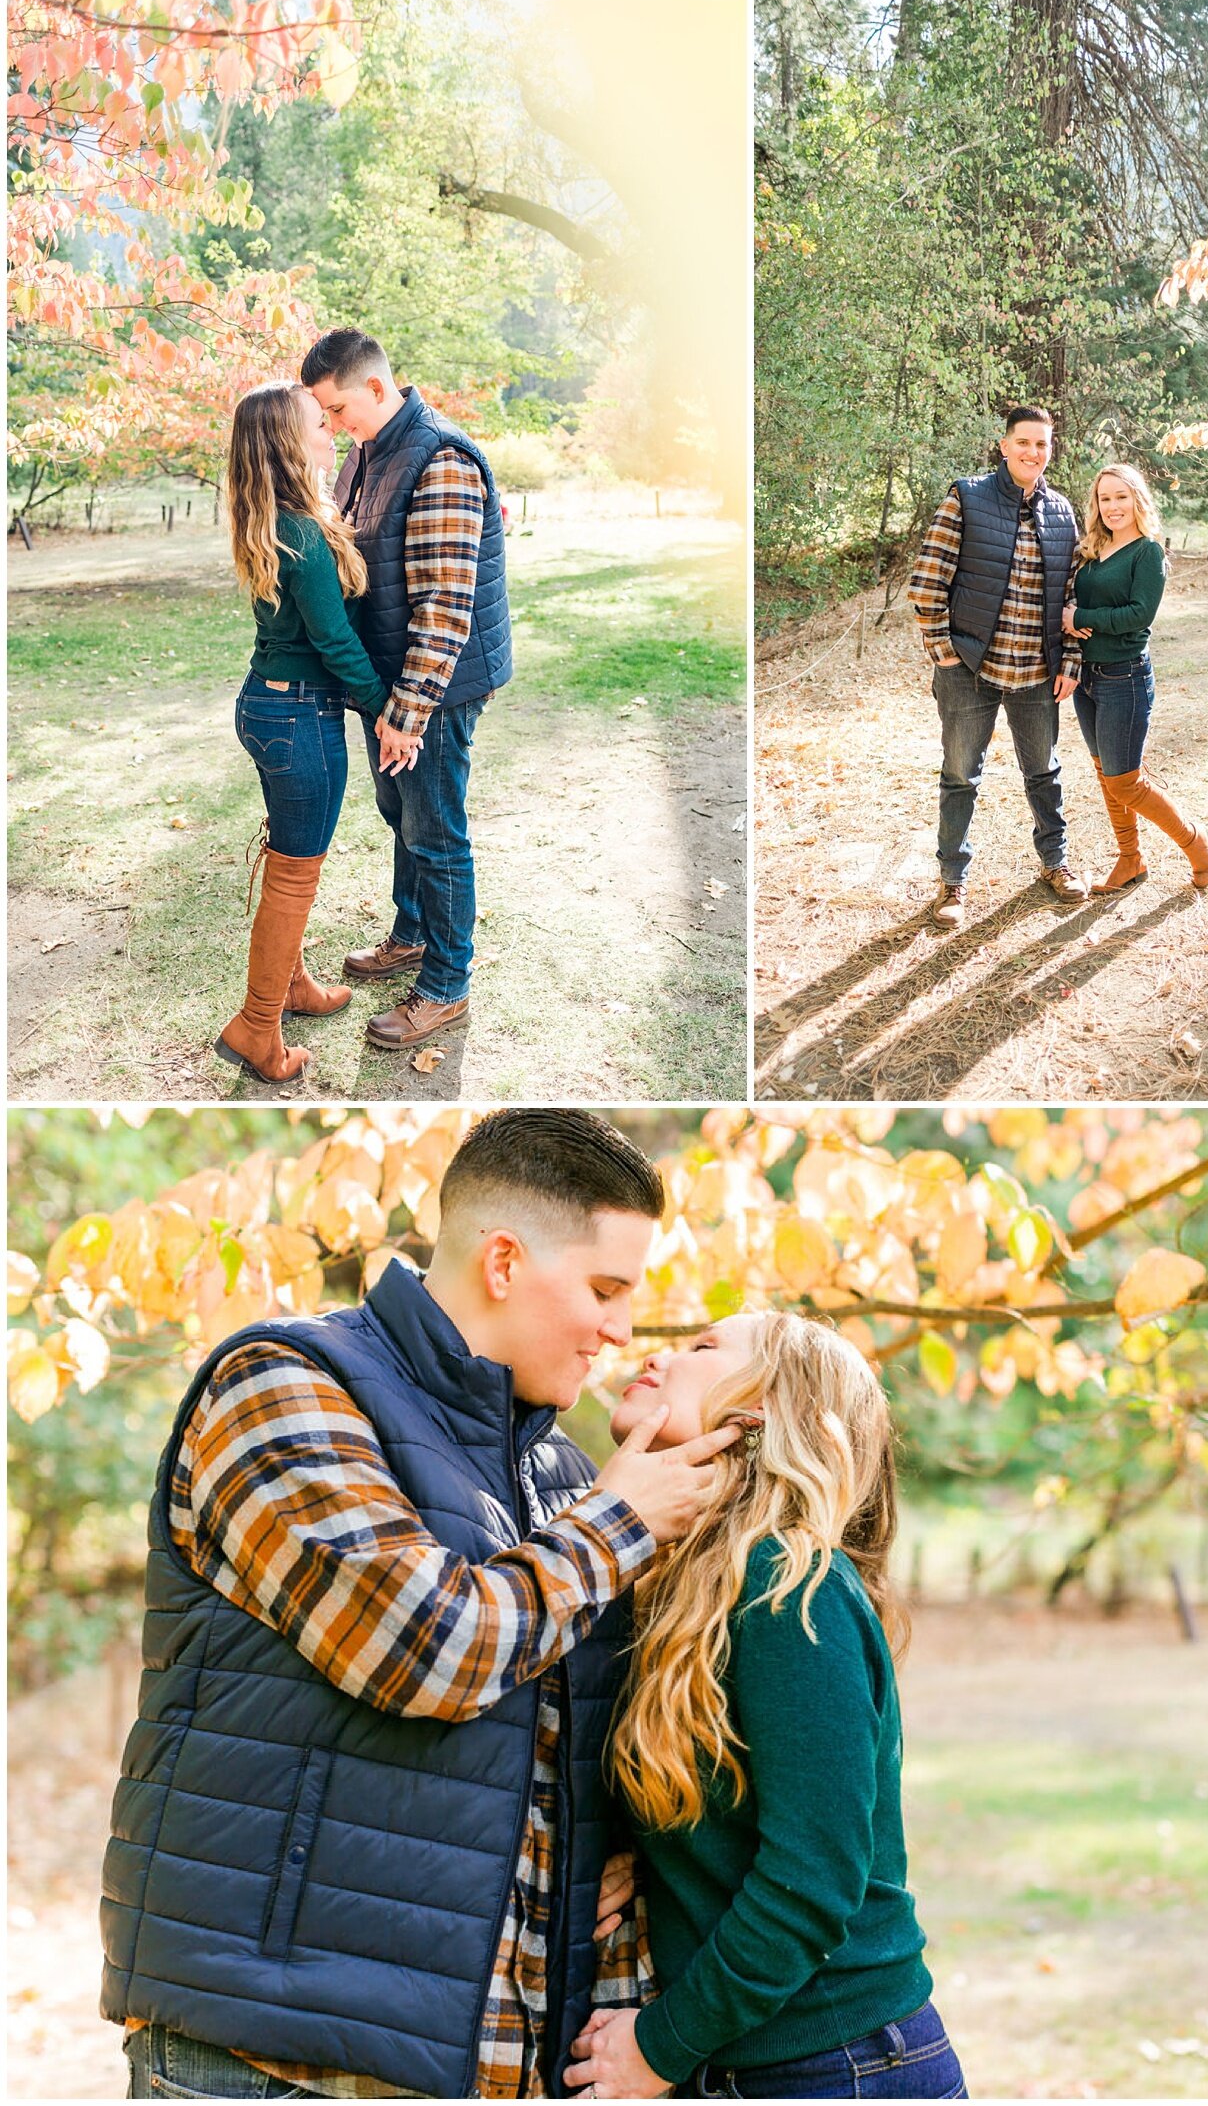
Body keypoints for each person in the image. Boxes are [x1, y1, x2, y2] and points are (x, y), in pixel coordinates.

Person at [103, 1109, 741, 2101]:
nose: (621, 1330)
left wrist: (613, 1857)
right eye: (606, 1290)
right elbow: (426, 1649)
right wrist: (619, 1525)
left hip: (480, 2065)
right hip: (277, 2061)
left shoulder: (563, 1475)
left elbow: (568, 1744)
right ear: (503, 1262)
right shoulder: (281, 1386)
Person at [565, 1311, 967, 2101]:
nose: (658, 1353)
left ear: (763, 1410)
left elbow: (811, 1879)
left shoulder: (788, 1584)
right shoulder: (683, 1586)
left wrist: (657, 2047)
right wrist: (638, 1854)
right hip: (757, 2062)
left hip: (839, 2063)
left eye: (703, 1347)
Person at [301, 328, 512, 1052]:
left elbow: (446, 608)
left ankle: (446, 985)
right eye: (324, 415)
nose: (333, 426)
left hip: (437, 687)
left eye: (337, 409)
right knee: (401, 812)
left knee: (435, 829)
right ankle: (412, 933)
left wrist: (409, 712)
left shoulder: (441, 460)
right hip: (389, 679)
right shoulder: (368, 451)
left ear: (375, 387)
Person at [216, 380, 406, 1084]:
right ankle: (257, 1026)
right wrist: (388, 710)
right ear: (288, 443)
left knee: (287, 860)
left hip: (266, 707)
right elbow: (334, 640)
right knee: (294, 878)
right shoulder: (298, 528)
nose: (330, 429)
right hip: (299, 716)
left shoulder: (274, 516)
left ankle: (291, 985)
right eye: (317, 423)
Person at [910, 404, 1086, 928]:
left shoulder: (1062, 513)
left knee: (1044, 772)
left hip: (1036, 672)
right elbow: (927, 581)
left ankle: (1055, 864)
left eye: (1042, 444)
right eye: (1024, 442)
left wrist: (1070, 659)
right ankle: (952, 881)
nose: (1033, 452)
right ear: (1004, 446)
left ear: (1050, 450)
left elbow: (1072, 596)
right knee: (960, 776)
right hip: (969, 669)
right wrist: (944, 652)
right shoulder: (967, 497)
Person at [1064, 465, 1208, 893]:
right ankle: (1130, 859)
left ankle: (1195, 842)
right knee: (1105, 774)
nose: (1112, 506)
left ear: (1137, 500)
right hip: (1087, 679)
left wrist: (1081, 617)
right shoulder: (1093, 549)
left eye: (1121, 497)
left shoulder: (1148, 552)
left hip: (1124, 677)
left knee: (1125, 782)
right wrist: (1069, 620)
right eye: (1105, 498)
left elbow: (1139, 615)